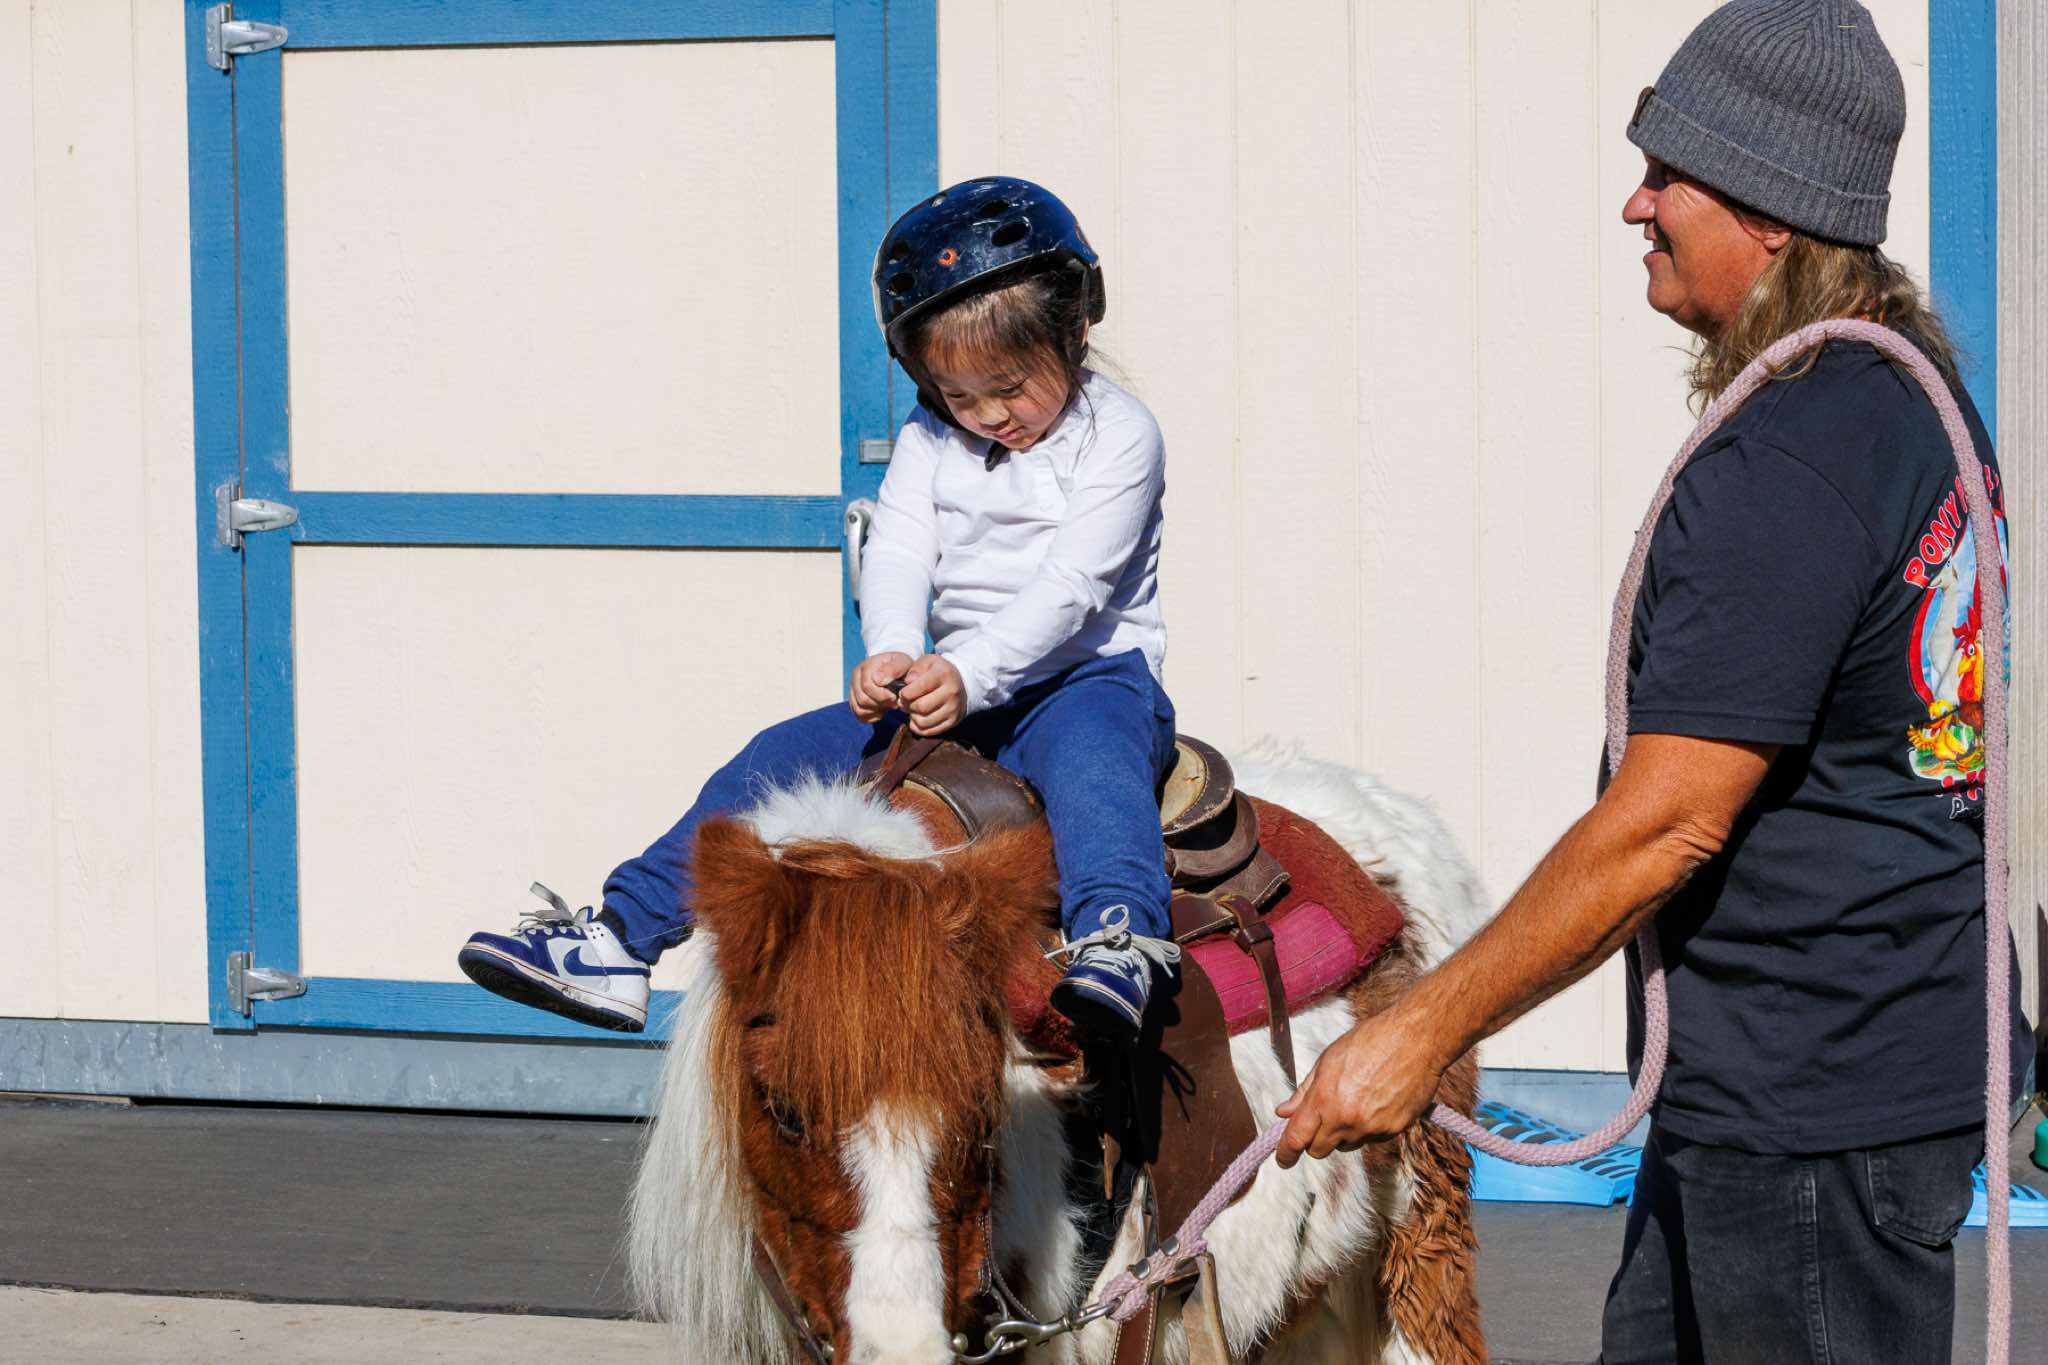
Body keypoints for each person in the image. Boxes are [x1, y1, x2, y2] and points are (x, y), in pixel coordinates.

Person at [1272, 2, 2030, 1361]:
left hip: (1806, 1110)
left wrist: (1414, 1033)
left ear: (1771, 213)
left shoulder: (1790, 460)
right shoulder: (1905, 401)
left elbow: (1666, 820)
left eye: (1668, 175)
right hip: (1811, 1076)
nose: (1637, 204)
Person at [456, 176, 1180, 1047]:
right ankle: (620, 937)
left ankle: (1118, 937)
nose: (990, 415)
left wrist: (967, 670)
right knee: (779, 756)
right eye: (960, 395)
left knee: (1095, 769)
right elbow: (901, 546)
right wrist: (894, 650)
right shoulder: (930, 438)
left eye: (1010, 386)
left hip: (1086, 679)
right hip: (953, 687)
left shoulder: (1121, 434)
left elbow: (1073, 585)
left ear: (1074, 327)